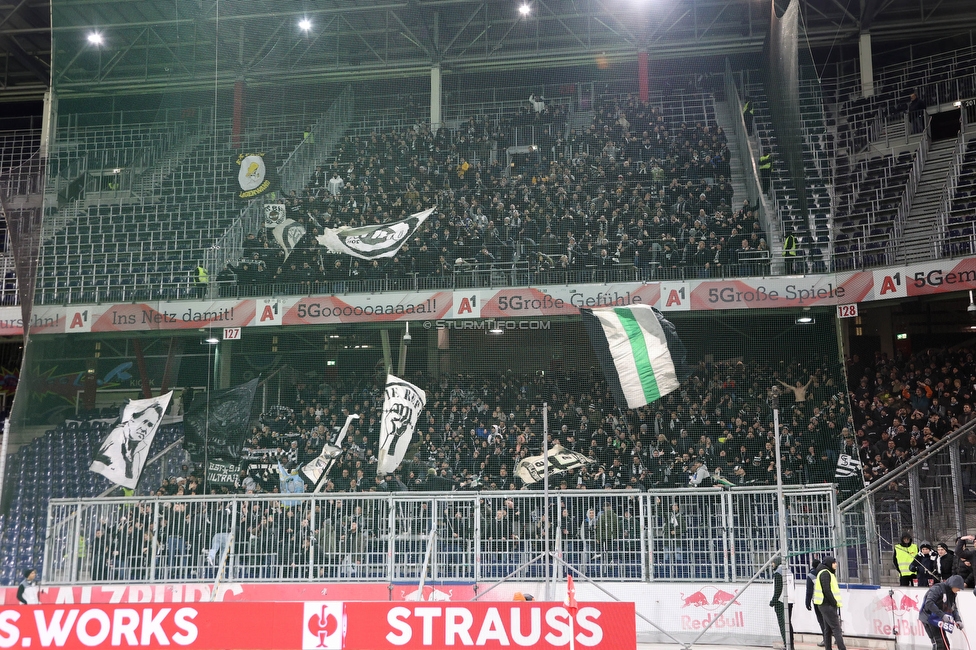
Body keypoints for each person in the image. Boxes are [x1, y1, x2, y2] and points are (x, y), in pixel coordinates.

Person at [91, 403, 164, 484]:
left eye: (150, 425)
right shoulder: (115, 438)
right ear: (132, 419)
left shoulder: (138, 449)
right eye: (143, 422)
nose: (144, 429)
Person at [919, 574, 964, 650]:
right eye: (958, 588)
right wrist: (942, 615)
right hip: (928, 617)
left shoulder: (952, 593)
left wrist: (958, 620)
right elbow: (929, 603)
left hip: (938, 619)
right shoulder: (937, 588)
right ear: (953, 585)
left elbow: (953, 608)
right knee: (938, 643)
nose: (959, 590)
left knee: (945, 644)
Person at [812, 556, 846, 650]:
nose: (836, 564)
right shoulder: (825, 573)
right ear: (829, 563)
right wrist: (834, 602)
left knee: (827, 630)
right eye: (834, 562)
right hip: (827, 605)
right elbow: (826, 590)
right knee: (836, 629)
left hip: (825, 604)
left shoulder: (827, 572)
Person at [770, 556, 794, 649]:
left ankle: (786, 644)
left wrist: (773, 601)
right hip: (790, 600)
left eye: (773, 562)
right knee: (788, 623)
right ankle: (791, 645)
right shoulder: (789, 571)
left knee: (783, 624)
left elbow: (778, 589)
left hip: (781, 602)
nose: (772, 564)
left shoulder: (778, 573)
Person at [805, 556, 826, 647]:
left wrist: (807, 602)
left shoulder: (810, 575)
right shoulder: (825, 573)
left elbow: (809, 591)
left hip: (817, 601)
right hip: (827, 600)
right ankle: (837, 638)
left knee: (821, 620)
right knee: (830, 620)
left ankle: (826, 639)